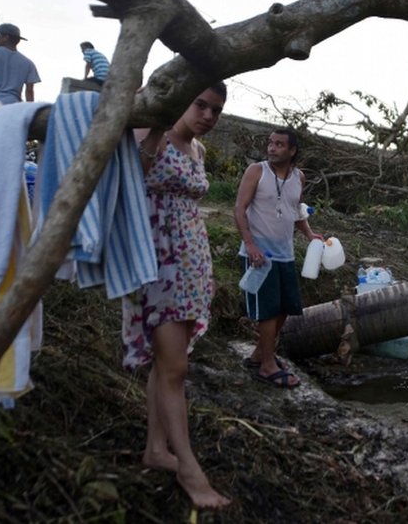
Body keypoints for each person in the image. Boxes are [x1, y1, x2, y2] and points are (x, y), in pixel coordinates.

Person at [124, 83, 231, 508]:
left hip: (191, 265)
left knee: (166, 363)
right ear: (182, 101)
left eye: (216, 110)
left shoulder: (198, 152)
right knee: (176, 369)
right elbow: (136, 171)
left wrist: (207, 274)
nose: (207, 115)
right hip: (157, 266)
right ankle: (189, 470)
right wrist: (155, 126)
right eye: (200, 105)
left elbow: (190, 211)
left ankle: (156, 449)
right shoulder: (150, 133)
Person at [234, 127, 322, 388]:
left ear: (292, 150)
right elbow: (239, 209)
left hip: (285, 254)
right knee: (268, 310)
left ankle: (259, 355)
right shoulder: (256, 171)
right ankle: (268, 366)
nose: (272, 148)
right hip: (260, 255)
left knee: (285, 307)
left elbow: (296, 210)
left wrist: (309, 234)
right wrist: (250, 245)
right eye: (270, 143)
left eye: (279, 144)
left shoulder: (299, 177)